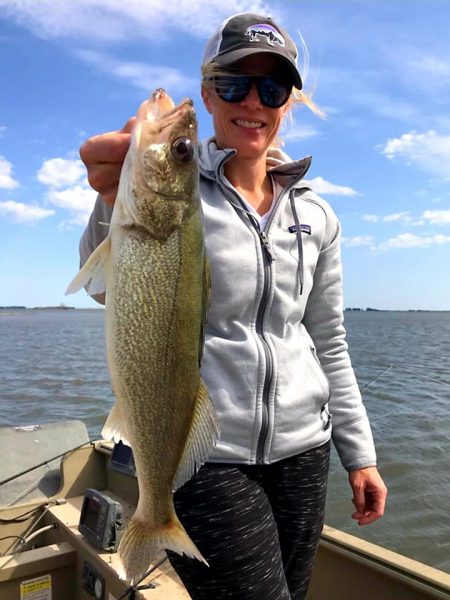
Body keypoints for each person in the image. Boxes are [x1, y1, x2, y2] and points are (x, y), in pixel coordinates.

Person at [78, 12, 387, 600]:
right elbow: (104, 287)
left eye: (272, 87)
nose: (252, 101)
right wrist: (110, 198)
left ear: (287, 102)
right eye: (233, 83)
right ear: (207, 92)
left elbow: (329, 340)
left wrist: (360, 455)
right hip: (204, 456)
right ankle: (154, 515)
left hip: (305, 452)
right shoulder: (178, 190)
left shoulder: (316, 214)